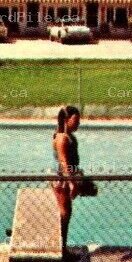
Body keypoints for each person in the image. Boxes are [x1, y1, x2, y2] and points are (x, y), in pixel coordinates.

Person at [51, 105, 83, 245]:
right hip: (62, 180)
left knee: (66, 213)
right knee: (64, 214)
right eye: (75, 120)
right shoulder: (62, 138)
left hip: (68, 177)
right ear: (66, 119)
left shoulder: (70, 137)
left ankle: (62, 246)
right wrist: (71, 183)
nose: (78, 123)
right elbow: (64, 163)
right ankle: (61, 247)